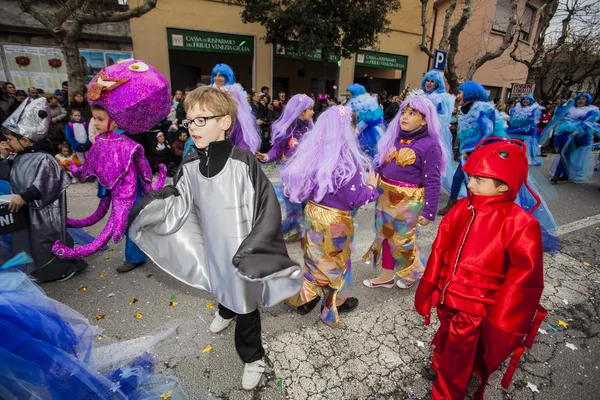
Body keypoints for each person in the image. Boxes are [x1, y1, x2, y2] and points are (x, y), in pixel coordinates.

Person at [127, 86, 302, 391]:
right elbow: (180, 202)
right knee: (218, 280)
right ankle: (225, 308)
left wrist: (257, 244)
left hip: (243, 248)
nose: (192, 127)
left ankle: (252, 357)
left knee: (245, 301)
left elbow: (266, 204)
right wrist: (152, 207)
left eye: (201, 120)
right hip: (213, 245)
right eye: (189, 121)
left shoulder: (243, 162)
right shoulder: (191, 165)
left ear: (224, 122)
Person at [414, 137, 547, 400]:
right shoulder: (463, 207)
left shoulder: (519, 223)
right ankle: (439, 368)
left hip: (476, 307)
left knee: (459, 353)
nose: (470, 183)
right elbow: (439, 249)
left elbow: (523, 280)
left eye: (479, 179)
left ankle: (446, 394)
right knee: (445, 337)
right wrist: (429, 286)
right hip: (447, 296)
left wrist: (502, 320)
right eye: (471, 176)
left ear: (503, 186)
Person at [51, 60, 170, 270]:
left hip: (131, 192)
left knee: (130, 222)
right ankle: (141, 250)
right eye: (94, 118)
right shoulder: (100, 141)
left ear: (114, 121)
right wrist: (77, 170)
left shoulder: (130, 145)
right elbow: (91, 163)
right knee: (129, 224)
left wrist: (151, 182)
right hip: (111, 189)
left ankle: (135, 258)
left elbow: (143, 168)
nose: (95, 123)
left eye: (99, 118)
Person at [281, 105, 379, 325]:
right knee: (336, 263)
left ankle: (305, 298)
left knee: (314, 257)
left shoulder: (313, 154)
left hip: (313, 213)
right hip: (335, 221)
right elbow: (355, 199)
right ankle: (333, 305)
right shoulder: (347, 161)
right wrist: (372, 187)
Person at [363, 91, 445, 289]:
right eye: (404, 112)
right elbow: (381, 167)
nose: (405, 117)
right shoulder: (394, 139)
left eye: (413, 113)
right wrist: (369, 190)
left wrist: (429, 211)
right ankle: (386, 275)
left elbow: (433, 182)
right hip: (385, 196)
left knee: (402, 241)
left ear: (425, 121)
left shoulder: (430, 146)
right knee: (384, 235)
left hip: (408, 202)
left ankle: (414, 271)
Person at [0, 97, 87, 281]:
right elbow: (9, 175)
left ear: (24, 139)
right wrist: (3, 157)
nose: (8, 143)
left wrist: (24, 196)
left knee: (45, 242)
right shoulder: (19, 157)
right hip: (27, 212)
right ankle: (37, 270)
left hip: (43, 214)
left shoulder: (44, 159)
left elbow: (45, 185)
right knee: (28, 242)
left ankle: (63, 269)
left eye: (10, 139)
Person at [438, 81, 505, 216]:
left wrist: (473, 151)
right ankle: (452, 204)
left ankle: (474, 206)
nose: (458, 96)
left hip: (483, 152)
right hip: (467, 152)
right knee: (458, 177)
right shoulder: (465, 109)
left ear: (469, 93)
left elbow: (487, 132)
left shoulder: (483, 109)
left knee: (474, 180)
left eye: (460, 93)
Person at [256, 93, 314, 242]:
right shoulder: (287, 130)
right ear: (301, 111)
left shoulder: (311, 128)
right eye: (310, 109)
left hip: (309, 177)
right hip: (292, 180)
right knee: (294, 214)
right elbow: (276, 150)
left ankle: (303, 234)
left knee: (308, 210)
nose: (313, 112)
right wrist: (266, 156)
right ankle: (267, 237)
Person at [183, 64, 261, 156]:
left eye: (221, 75)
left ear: (227, 77)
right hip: (209, 125)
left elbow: (241, 114)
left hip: (231, 126)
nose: (217, 78)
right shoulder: (208, 91)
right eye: (215, 75)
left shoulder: (235, 93)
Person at [540, 93, 600, 183]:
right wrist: (563, 105)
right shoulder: (570, 107)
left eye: (583, 99)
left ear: (588, 100)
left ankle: (557, 175)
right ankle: (564, 174)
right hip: (564, 132)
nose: (580, 100)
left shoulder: (592, 110)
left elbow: (588, 123)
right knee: (563, 152)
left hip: (579, 134)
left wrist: (579, 130)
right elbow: (558, 115)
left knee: (566, 153)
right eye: (579, 98)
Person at [421, 71, 457, 194]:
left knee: (435, 160)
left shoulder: (441, 98)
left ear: (437, 84)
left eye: (432, 81)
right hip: (423, 131)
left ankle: (432, 188)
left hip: (437, 133)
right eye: (427, 80)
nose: (429, 83)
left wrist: (428, 121)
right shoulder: (422, 96)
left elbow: (443, 117)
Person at [346, 83, 386, 159]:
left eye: (349, 95)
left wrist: (358, 127)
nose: (348, 97)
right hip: (355, 131)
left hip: (365, 133)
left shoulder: (362, 103)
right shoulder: (353, 103)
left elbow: (370, 119)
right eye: (347, 95)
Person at [506, 94, 544, 166]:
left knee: (523, 146)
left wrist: (524, 127)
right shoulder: (516, 108)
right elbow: (511, 118)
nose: (525, 100)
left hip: (524, 131)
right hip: (513, 129)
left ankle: (522, 160)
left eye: (527, 99)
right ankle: (512, 158)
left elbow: (532, 121)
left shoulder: (533, 109)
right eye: (524, 99)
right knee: (512, 144)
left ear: (531, 101)